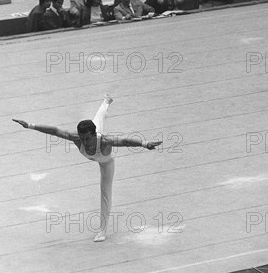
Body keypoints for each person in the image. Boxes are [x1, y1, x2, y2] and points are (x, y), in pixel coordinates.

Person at [13, 95, 161, 241]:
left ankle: (102, 231)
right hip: (96, 146)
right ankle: (106, 101)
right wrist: (30, 125)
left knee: (105, 193)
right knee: (97, 120)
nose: (85, 142)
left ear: (94, 135)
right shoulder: (78, 138)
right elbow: (55, 131)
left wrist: (144, 144)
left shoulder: (104, 141)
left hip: (106, 162)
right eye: (82, 138)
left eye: (88, 138)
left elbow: (125, 141)